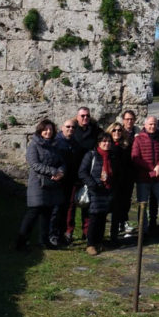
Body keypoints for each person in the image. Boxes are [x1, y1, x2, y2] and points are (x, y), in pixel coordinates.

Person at [16, 119, 66, 251]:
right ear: (40, 131)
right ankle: (21, 242)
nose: (48, 132)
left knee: (47, 213)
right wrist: (53, 171)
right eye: (46, 129)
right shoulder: (34, 145)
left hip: (52, 183)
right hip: (38, 184)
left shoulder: (55, 145)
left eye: (50, 129)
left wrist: (61, 171)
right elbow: (34, 164)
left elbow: (61, 161)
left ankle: (43, 241)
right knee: (34, 212)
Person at [131, 116, 159, 239]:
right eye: (150, 124)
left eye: (154, 124)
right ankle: (143, 231)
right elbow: (135, 157)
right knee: (143, 205)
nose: (152, 126)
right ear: (145, 125)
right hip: (143, 178)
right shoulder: (138, 139)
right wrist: (151, 167)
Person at [66, 107, 101, 243]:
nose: (85, 118)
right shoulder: (73, 130)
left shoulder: (95, 130)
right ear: (77, 117)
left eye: (87, 116)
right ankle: (69, 231)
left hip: (88, 172)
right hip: (73, 172)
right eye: (82, 116)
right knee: (71, 205)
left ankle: (87, 232)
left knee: (88, 203)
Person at [79, 132, 114, 255]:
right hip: (94, 190)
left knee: (102, 217)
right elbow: (82, 172)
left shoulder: (111, 156)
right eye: (104, 141)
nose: (107, 143)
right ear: (99, 143)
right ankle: (91, 244)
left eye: (109, 141)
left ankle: (99, 242)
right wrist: (92, 184)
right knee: (94, 217)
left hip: (106, 190)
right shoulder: (91, 155)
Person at [50, 119, 77, 245]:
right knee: (56, 209)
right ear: (62, 127)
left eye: (73, 127)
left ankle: (61, 235)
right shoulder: (55, 142)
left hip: (70, 180)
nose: (70, 129)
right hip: (58, 180)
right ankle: (53, 235)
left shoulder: (74, 143)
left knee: (66, 208)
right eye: (68, 127)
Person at [106, 122, 132, 246]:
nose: (117, 133)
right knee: (103, 210)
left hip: (121, 183)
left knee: (117, 211)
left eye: (119, 130)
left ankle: (114, 237)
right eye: (114, 130)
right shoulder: (106, 145)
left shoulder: (125, 146)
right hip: (107, 183)